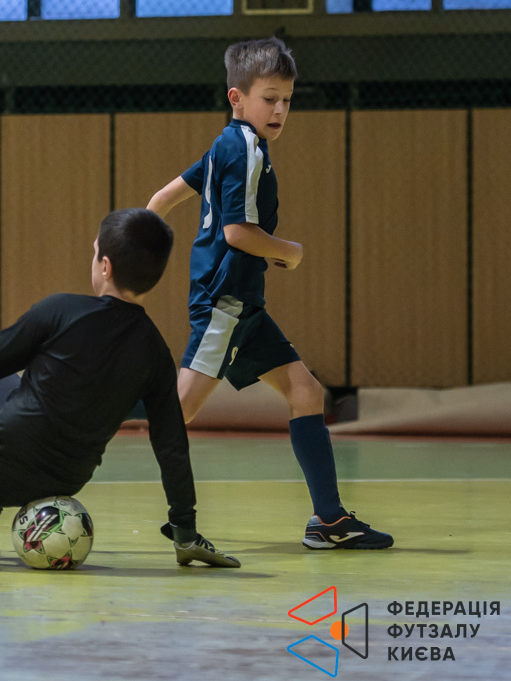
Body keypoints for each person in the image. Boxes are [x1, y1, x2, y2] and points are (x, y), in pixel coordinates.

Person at [0, 207, 239, 572]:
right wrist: (185, 531)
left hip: (0, 456)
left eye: (95, 252)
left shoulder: (62, 310)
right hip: (66, 478)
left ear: (105, 267)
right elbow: (172, 446)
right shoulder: (155, 352)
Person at [146, 37, 392, 550]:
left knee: (306, 392)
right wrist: (289, 251)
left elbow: (162, 200)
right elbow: (237, 233)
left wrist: (137, 237)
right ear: (237, 98)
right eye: (269, 98)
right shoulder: (245, 150)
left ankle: (329, 521)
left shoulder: (226, 144)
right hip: (226, 303)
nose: (280, 110)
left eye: (287, 100)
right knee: (175, 411)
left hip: (244, 305)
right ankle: (65, 428)